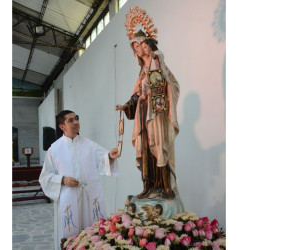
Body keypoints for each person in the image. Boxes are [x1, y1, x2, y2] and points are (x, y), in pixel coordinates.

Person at [39, 110, 120, 250]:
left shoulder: (89, 144)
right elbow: (45, 177)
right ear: (62, 126)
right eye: (70, 120)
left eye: (76, 119)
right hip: (69, 197)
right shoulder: (54, 149)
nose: (76, 122)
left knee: (93, 232)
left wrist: (110, 156)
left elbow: (103, 159)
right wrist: (63, 180)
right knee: (71, 233)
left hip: (89, 197)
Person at [115, 30, 180, 199]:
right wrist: (126, 106)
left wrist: (159, 91)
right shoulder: (142, 71)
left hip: (156, 115)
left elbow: (171, 84)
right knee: (144, 149)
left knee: (158, 147)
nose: (137, 49)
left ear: (147, 46)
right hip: (143, 113)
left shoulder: (157, 62)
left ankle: (166, 188)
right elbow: (137, 94)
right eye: (135, 47)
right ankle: (148, 187)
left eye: (139, 46)